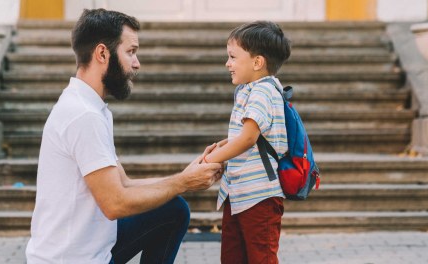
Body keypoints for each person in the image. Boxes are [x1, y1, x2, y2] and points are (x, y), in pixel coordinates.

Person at [25, 9, 223, 264]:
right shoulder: (83, 116)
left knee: (173, 209)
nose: (137, 63)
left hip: (91, 249)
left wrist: (185, 176)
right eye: (130, 52)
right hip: (71, 260)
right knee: (175, 206)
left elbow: (124, 184)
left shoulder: (91, 107)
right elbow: (115, 204)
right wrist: (183, 183)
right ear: (102, 53)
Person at [201, 21, 291, 263]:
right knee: (232, 256)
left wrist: (209, 160)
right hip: (238, 192)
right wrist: (222, 146)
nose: (227, 64)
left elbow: (249, 138)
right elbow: (249, 134)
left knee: (260, 257)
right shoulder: (249, 89)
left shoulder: (263, 91)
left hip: (259, 195)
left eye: (232, 57)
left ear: (257, 62)